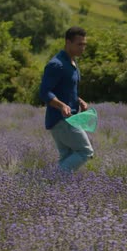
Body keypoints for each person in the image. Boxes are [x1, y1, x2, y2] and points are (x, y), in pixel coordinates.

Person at [38, 26, 94, 172]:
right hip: (61, 119)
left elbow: (66, 89)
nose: (83, 48)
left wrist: (78, 100)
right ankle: (52, 179)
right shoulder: (56, 65)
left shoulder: (72, 63)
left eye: (84, 44)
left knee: (67, 156)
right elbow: (44, 92)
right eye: (79, 44)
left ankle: (56, 189)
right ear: (68, 43)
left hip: (70, 118)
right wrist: (62, 105)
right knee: (85, 151)